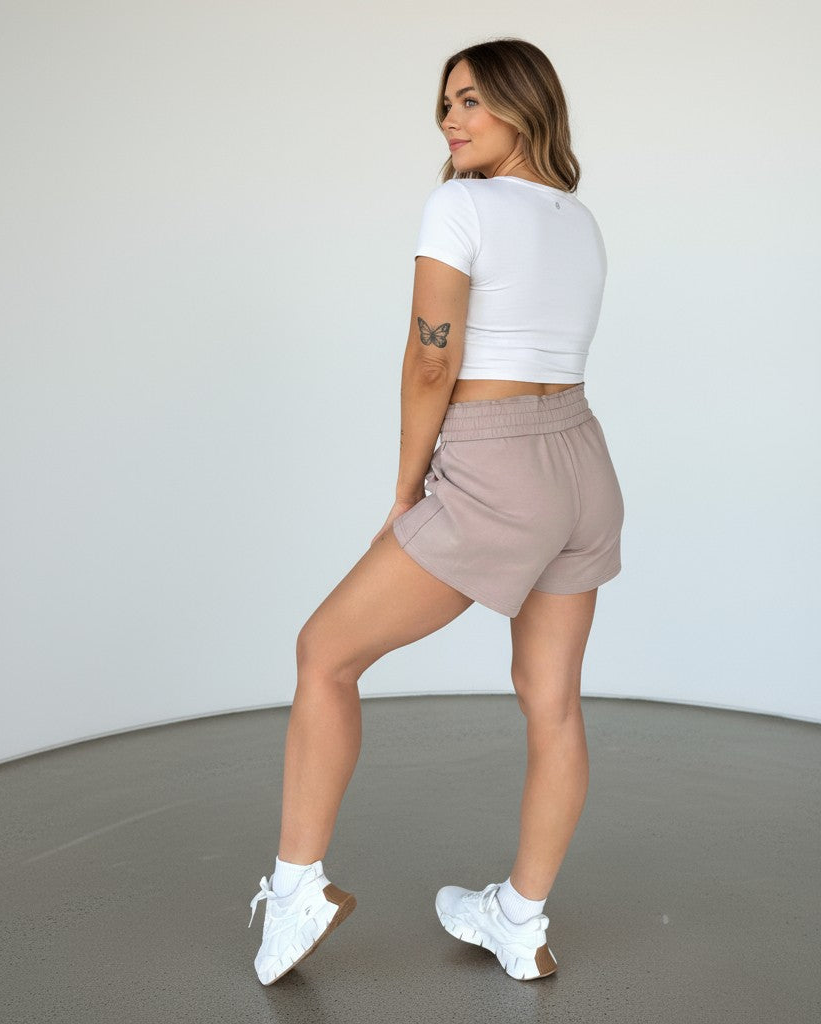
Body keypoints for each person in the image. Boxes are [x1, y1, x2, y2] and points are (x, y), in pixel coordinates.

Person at [246, 37, 625, 985]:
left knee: (324, 655)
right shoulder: (579, 221)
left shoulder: (460, 204)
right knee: (555, 706)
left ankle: (298, 892)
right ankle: (522, 922)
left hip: (496, 464)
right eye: (444, 105)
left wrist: (408, 489)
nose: (450, 120)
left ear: (522, 104)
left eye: (469, 101)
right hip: (583, 461)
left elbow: (431, 360)